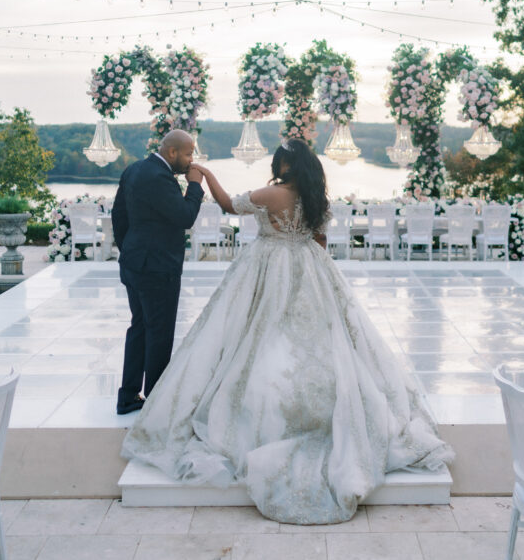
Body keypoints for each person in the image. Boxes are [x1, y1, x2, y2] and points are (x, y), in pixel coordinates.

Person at [121, 138, 453, 524]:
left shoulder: (273, 194)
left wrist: (207, 174)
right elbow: (320, 239)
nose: (275, 166)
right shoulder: (314, 197)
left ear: (285, 165)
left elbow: (229, 206)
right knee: (320, 339)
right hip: (310, 265)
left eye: (278, 161)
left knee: (255, 336)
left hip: (269, 264)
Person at [111, 129, 204, 415]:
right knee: (160, 333)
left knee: (139, 327)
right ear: (172, 152)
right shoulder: (160, 178)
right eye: (188, 154)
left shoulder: (135, 169)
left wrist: (129, 250)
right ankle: (157, 401)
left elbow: (119, 216)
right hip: (157, 266)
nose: (191, 160)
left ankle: (128, 396)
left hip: (134, 263)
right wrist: (195, 186)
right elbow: (185, 217)